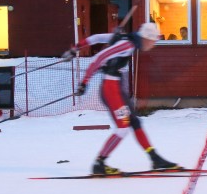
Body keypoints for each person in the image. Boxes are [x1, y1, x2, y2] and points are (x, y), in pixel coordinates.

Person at [62, 22, 180, 175]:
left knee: (134, 122)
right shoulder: (127, 45)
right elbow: (99, 58)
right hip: (110, 90)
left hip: (116, 87)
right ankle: (100, 163)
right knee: (123, 127)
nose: (153, 45)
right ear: (146, 38)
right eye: (153, 42)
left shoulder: (124, 39)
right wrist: (84, 82)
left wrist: (76, 48)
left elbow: (97, 38)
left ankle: (155, 158)